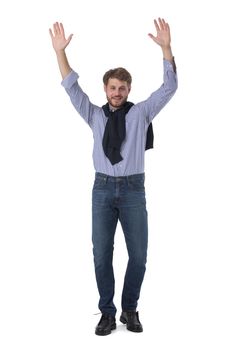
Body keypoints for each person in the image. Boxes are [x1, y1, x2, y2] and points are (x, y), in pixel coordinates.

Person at [49, 17, 177, 336]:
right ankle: (107, 312)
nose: (117, 92)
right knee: (101, 254)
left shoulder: (140, 113)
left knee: (139, 255)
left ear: (128, 89)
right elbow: (71, 88)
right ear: (105, 89)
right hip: (102, 190)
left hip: (134, 190)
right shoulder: (94, 115)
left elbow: (170, 87)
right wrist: (59, 53)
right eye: (112, 88)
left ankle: (129, 309)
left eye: (122, 88)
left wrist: (166, 47)